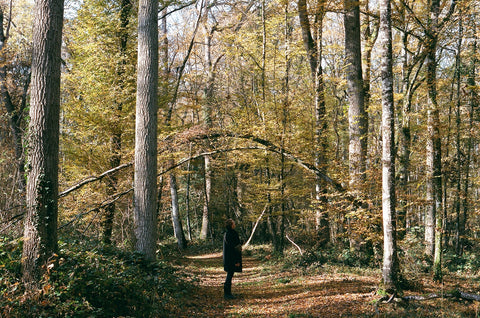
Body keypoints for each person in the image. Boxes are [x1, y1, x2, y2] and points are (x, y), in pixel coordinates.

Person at [223, 218, 242, 300]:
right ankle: (227, 294)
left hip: (228, 257)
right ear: (231, 225)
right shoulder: (232, 234)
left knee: (230, 274)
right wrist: (236, 261)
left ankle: (228, 293)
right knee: (230, 274)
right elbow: (234, 248)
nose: (235, 224)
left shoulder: (227, 234)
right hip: (231, 258)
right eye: (233, 223)